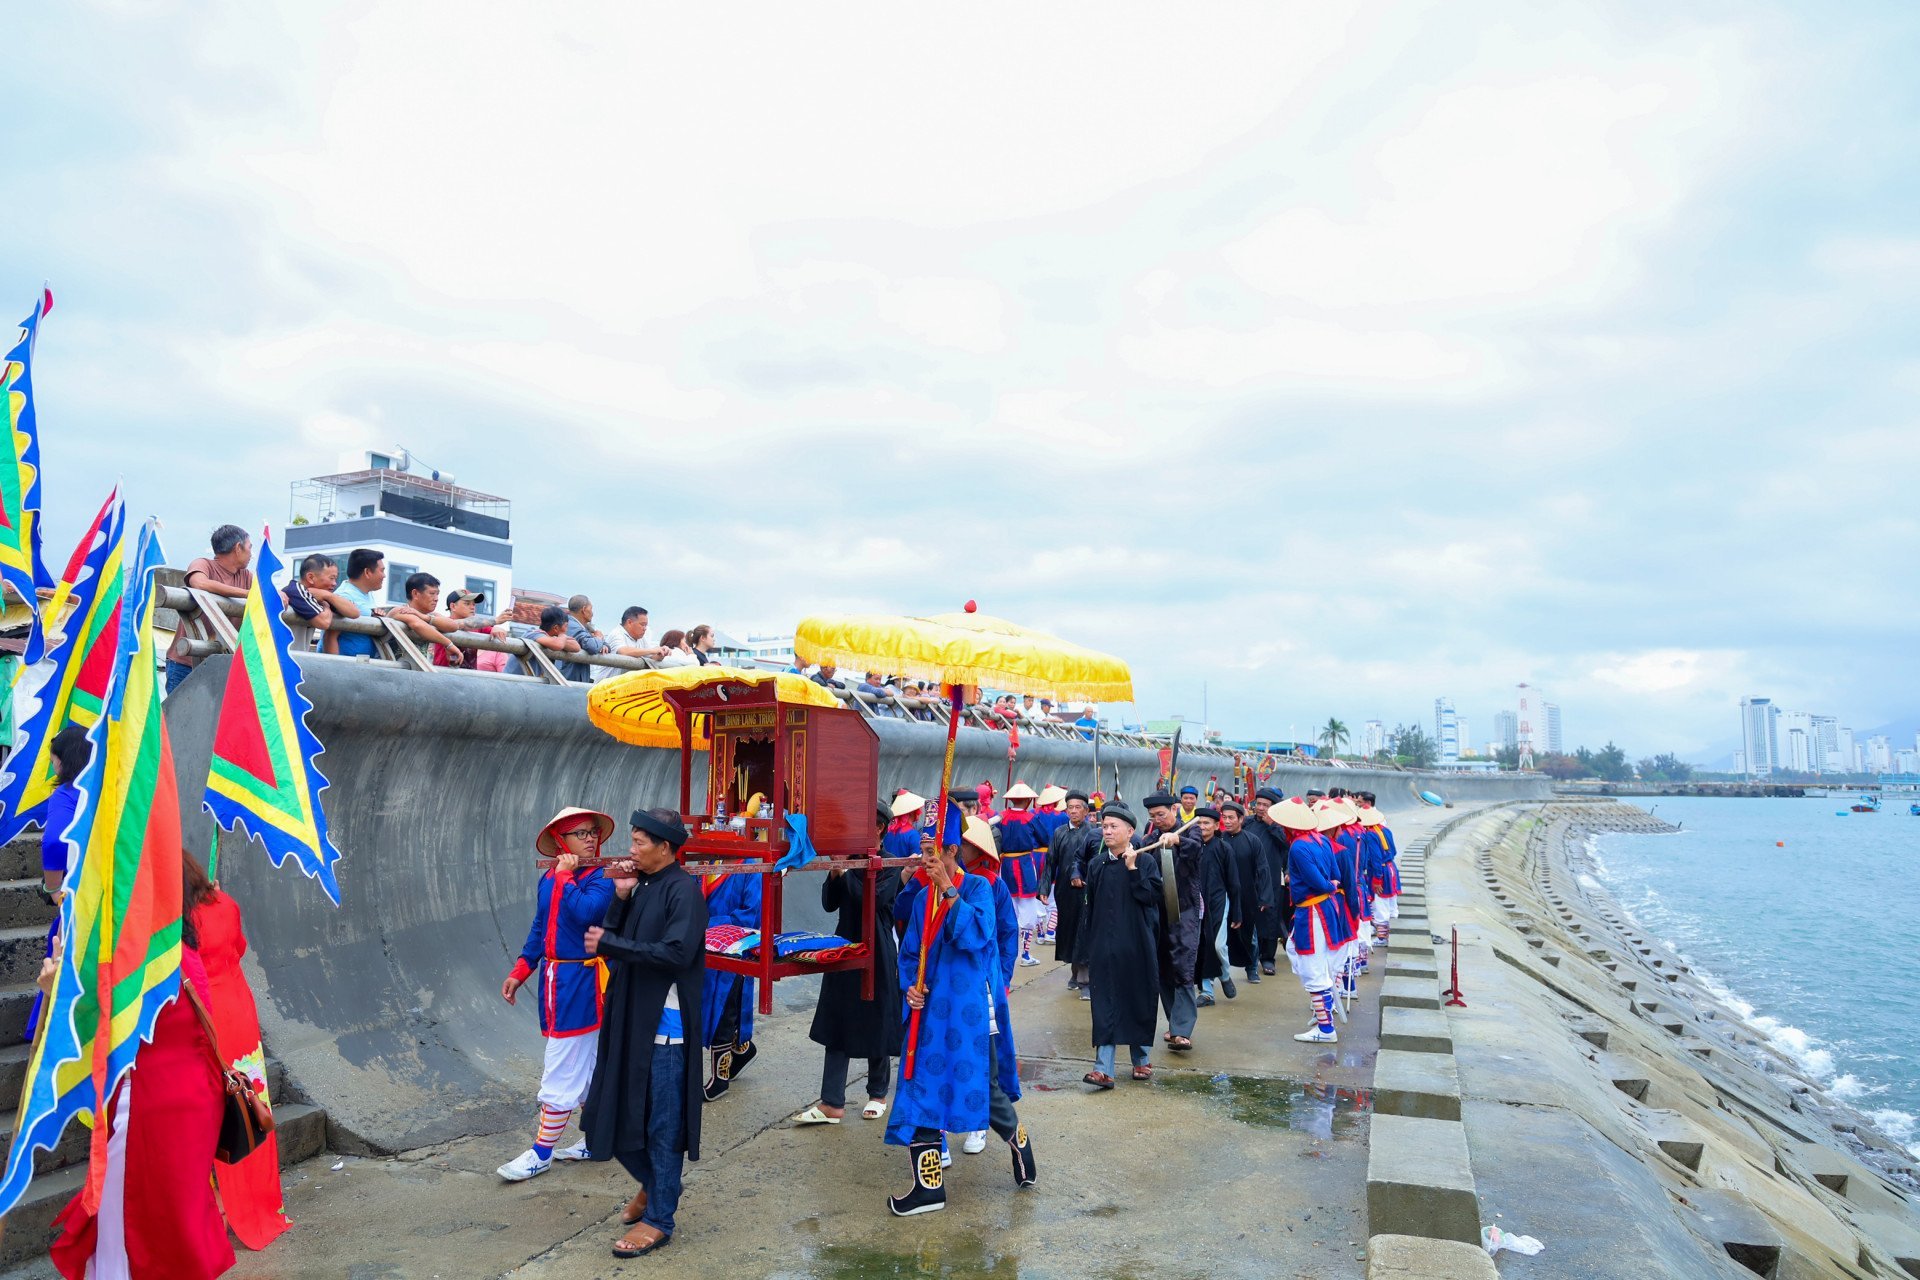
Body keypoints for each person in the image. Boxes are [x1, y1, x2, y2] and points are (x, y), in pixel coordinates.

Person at [47, 865, 235, 1279]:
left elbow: (84, 1031)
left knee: (129, 1224)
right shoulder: (184, 944)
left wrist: (54, 990)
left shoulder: (137, 953)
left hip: (152, 1103)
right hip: (197, 1096)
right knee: (176, 1219)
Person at [885, 817, 1034, 1215]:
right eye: (922, 851)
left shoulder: (980, 887)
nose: (924, 859)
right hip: (931, 1011)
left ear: (953, 851)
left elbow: (979, 935)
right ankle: (928, 1188)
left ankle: (1017, 1139)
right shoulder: (920, 899)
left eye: (932, 852)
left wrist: (947, 889)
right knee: (920, 1086)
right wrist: (910, 988)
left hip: (970, 1010)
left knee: (984, 1090)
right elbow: (910, 952)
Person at [581, 808, 707, 1259]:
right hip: (631, 1021)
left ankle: (660, 1217)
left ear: (665, 848)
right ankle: (656, 1186)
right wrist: (620, 895)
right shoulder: (642, 887)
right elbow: (610, 941)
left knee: (662, 1127)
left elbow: (675, 954)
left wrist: (610, 943)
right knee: (607, 1115)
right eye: (632, 841)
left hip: (666, 1030)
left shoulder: (684, 892)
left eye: (639, 842)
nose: (631, 850)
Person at [498, 808, 618, 1181]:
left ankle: (542, 1152)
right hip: (555, 979)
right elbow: (541, 926)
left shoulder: (602, 876)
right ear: (559, 842)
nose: (589, 838)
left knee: (562, 1063)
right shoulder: (551, 878)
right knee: (585, 1065)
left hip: (583, 982)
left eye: (592, 831)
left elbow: (587, 912)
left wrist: (566, 877)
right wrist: (521, 969)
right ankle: (598, 1139)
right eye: (580, 833)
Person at [185, 850, 292, 1250]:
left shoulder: (181, 920)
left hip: (210, 1017)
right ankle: (261, 1202)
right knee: (250, 1105)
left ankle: (222, 1208)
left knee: (218, 1111)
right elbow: (241, 947)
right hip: (241, 1009)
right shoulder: (226, 902)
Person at [795, 798, 909, 1125]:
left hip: (877, 946)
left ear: (878, 828)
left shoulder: (890, 863)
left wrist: (844, 871)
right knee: (838, 1020)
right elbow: (830, 904)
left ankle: (877, 1092)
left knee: (877, 1017)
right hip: (844, 942)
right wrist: (834, 871)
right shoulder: (849, 859)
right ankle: (832, 1101)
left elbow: (871, 901)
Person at [1075, 804, 1161, 1088]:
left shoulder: (1145, 861)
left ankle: (1141, 1060)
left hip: (1136, 945)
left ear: (1130, 831)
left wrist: (1133, 869)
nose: (1108, 831)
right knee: (1104, 1004)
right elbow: (1090, 908)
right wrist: (1086, 946)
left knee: (1136, 1000)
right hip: (1103, 946)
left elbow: (1150, 898)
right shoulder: (1096, 864)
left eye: (1114, 826)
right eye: (1105, 826)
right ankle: (1103, 1069)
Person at [27, 726, 91, 1041]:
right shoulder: (103, 790)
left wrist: (53, 890)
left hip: (76, 900)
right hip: (106, 898)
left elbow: (53, 842)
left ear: (62, 761)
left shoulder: (64, 795)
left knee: (63, 985)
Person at [1280, 800, 1352, 1043]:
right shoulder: (1321, 840)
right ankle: (1324, 1011)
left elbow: (1318, 881)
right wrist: (1329, 885)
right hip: (1325, 907)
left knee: (1311, 966)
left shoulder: (1298, 847)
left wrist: (1323, 885)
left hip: (1311, 912)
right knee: (1297, 951)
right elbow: (1335, 876)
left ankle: (1325, 1028)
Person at [1139, 793, 1203, 1053]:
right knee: (1163, 966)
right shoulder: (1150, 839)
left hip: (1185, 909)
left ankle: (1182, 1030)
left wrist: (1177, 839)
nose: (1157, 820)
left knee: (1183, 964)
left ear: (1174, 809)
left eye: (1161, 815)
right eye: (1153, 816)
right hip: (1158, 912)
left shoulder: (1192, 831)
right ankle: (1174, 1023)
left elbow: (1196, 849)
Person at [698, 846, 761, 1103]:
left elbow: (751, 914)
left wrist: (707, 922)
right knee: (707, 1005)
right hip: (701, 944)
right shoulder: (703, 860)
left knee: (725, 1009)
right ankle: (743, 1049)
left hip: (733, 946)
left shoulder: (751, 864)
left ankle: (719, 1077)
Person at [165, 523, 254, 692]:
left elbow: (263, 592)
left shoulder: (247, 576)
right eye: (249, 547)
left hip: (220, 664)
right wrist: (247, 594)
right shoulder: (204, 564)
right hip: (184, 664)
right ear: (238, 548)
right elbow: (199, 583)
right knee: (177, 717)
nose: (251, 554)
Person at [1045, 790, 1100, 989]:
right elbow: (1051, 861)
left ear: (1086, 811)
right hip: (1064, 890)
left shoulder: (1094, 832)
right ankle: (1074, 971)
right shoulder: (1059, 832)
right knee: (1069, 930)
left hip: (1086, 888)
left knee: (1084, 929)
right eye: (1070, 808)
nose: (1074, 811)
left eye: (1078, 808)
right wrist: (1044, 887)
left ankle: (1085, 976)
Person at [1218, 801, 1275, 990]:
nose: (1227, 821)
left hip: (1247, 895)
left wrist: (1265, 897)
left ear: (1241, 819)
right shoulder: (1219, 840)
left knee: (1250, 935)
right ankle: (1220, 972)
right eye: (1224, 817)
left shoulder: (1252, 841)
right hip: (1223, 896)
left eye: (1231, 818)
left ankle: (1251, 968)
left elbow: (1263, 869)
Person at [1194, 806, 1242, 1006]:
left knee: (1218, 945)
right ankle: (1207, 992)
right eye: (1199, 823)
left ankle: (1224, 975)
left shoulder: (1223, 849)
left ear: (1216, 825)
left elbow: (1234, 882)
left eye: (1206, 823)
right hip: (1196, 904)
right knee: (1201, 947)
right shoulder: (1191, 847)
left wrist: (1237, 912)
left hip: (1219, 902)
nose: (1202, 826)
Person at [996, 782, 1046, 968]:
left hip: (1006, 865)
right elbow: (1044, 838)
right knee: (1028, 907)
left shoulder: (1002, 818)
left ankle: (1011, 952)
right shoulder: (1029, 818)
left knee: (1010, 907)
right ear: (1027, 801)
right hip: (1024, 865)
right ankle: (1025, 954)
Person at [1247, 787, 1293, 981]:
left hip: (1273, 878)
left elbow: (1287, 846)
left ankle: (1268, 958)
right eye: (1259, 804)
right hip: (1250, 877)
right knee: (1250, 917)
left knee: (1270, 917)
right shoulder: (1247, 823)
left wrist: (1272, 825)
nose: (1261, 808)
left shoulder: (1281, 826)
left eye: (1266, 805)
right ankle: (1251, 957)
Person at [281, 552, 358, 655]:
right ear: (311, 578)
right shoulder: (296, 591)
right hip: (280, 660)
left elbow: (354, 612)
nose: (334, 583)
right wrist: (326, 602)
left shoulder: (321, 594)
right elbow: (324, 622)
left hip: (294, 659)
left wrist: (328, 596)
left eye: (335, 579)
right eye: (331, 578)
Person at [333, 548, 386, 659]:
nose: (384, 575)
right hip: (345, 668)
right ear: (367, 572)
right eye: (382, 570)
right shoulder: (344, 596)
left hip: (362, 666)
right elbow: (329, 637)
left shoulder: (367, 593)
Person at [1362, 797, 1401, 947]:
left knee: (1380, 903)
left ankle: (1382, 937)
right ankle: (1387, 934)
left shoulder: (1370, 834)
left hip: (1380, 872)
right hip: (1391, 868)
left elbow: (1375, 857)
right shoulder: (1385, 830)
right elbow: (1395, 851)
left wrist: (1377, 878)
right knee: (1390, 902)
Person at [507, 606, 584, 676]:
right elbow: (558, 645)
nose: (566, 630)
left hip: (523, 683)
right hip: (510, 681)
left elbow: (576, 647)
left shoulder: (553, 639)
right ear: (556, 628)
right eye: (566, 626)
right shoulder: (533, 634)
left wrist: (561, 638)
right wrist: (563, 636)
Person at [561, 595, 609, 682]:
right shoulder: (571, 626)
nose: (592, 613)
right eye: (591, 609)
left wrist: (602, 643)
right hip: (569, 680)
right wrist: (598, 638)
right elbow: (592, 646)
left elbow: (606, 646)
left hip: (575, 680)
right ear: (583, 610)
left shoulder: (583, 627)